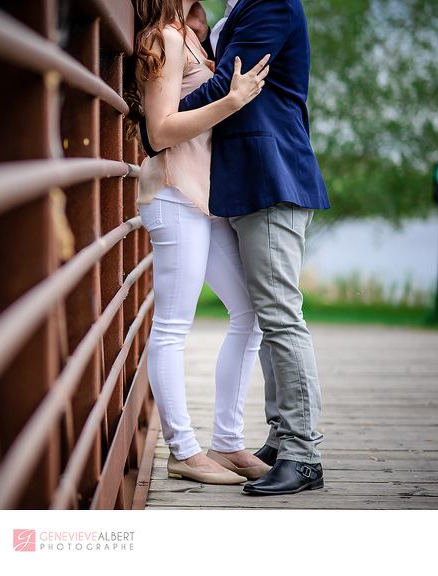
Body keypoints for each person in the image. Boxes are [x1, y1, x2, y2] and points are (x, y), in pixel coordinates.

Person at [139, 0, 330, 495]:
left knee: (263, 313)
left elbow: (229, 83)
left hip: (248, 181)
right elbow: (170, 121)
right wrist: (158, 127)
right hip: (185, 192)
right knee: (190, 322)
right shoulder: (179, 34)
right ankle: (188, 449)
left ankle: (269, 444)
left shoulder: (258, 8)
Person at [125, 0, 271, 484]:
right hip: (172, 194)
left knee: (249, 312)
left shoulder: (186, 32)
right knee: (171, 326)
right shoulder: (163, 37)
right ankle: (184, 452)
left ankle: (227, 442)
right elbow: (159, 130)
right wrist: (232, 101)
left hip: (202, 199)